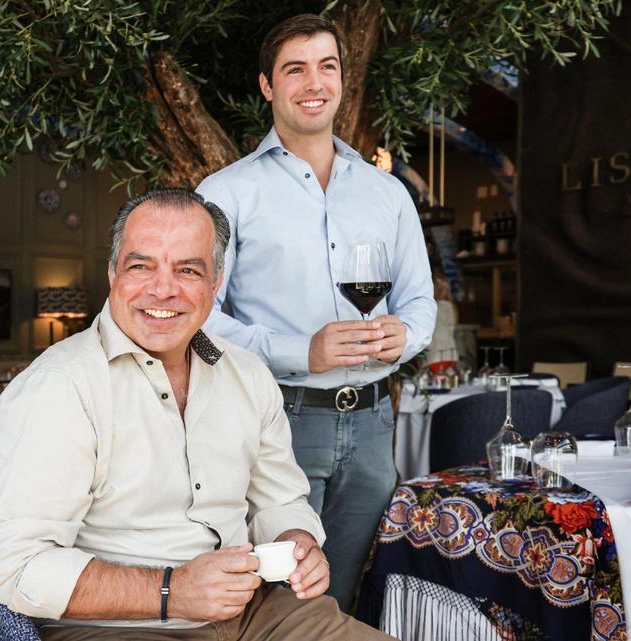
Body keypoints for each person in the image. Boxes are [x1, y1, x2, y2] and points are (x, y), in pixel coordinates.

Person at [0, 189, 393, 640]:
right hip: (116, 626)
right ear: (114, 272)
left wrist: (298, 538)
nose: (163, 289)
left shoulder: (248, 375)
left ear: (215, 283)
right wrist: (172, 592)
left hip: (259, 613)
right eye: (141, 265)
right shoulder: (58, 389)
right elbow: (11, 569)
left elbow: (279, 499)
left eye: (188, 270)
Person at [196, 14, 436, 610]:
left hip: (376, 425)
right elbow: (195, 318)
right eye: (295, 68)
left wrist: (401, 335)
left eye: (327, 66)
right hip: (279, 417)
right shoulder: (226, 192)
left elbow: (420, 303)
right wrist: (301, 350)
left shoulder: (387, 193)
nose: (314, 81)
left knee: (349, 592)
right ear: (267, 86)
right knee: (273, 595)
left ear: (341, 81)